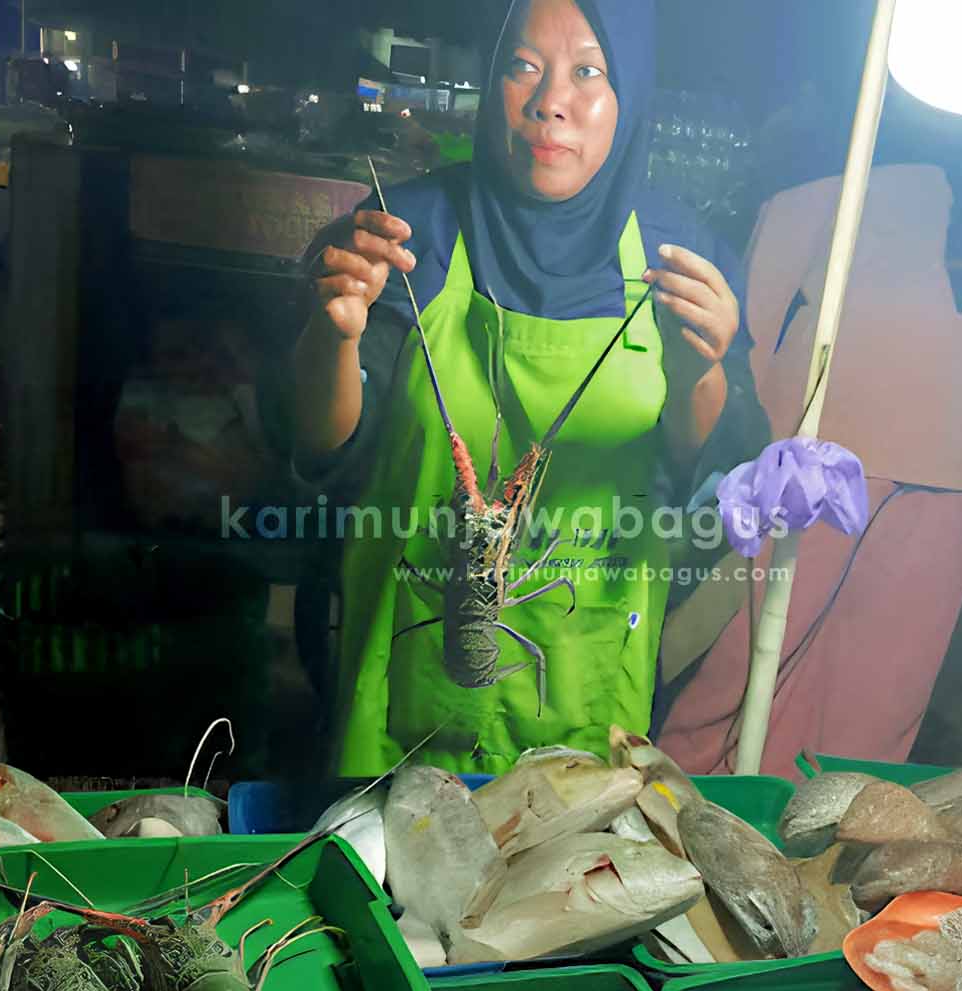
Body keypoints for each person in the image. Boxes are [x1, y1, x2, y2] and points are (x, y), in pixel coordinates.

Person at [284, 0, 768, 776]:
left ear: (630, 96)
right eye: (523, 66)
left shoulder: (681, 256)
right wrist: (333, 334)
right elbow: (320, 444)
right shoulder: (405, 231)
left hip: (587, 679)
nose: (552, 101)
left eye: (588, 71)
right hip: (406, 661)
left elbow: (711, 476)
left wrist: (701, 368)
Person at [655, 162, 962, 776]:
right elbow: (760, 301)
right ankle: (674, 798)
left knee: (883, 693)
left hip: (957, 471)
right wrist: (734, 438)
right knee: (737, 660)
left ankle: (829, 833)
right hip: (811, 448)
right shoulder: (850, 141)